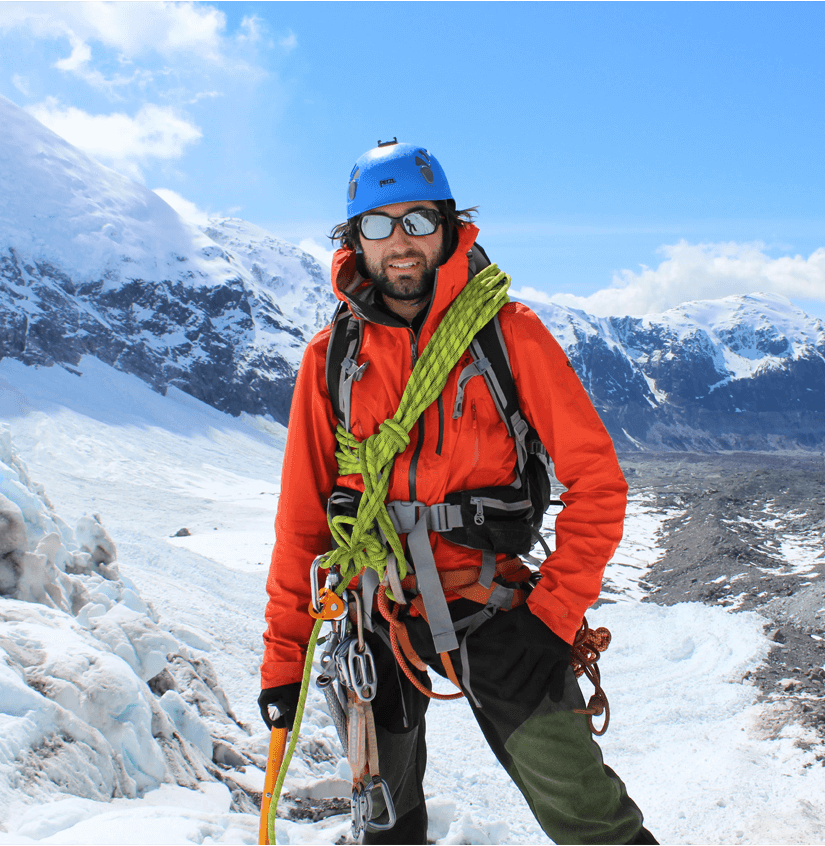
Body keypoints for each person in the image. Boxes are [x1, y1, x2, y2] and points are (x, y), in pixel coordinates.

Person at [258, 140, 656, 845]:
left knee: (596, 823)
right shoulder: (332, 360)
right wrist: (284, 663)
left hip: (498, 612)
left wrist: (553, 616)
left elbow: (598, 482)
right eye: (378, 226)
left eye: (417, 220)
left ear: (448, 225)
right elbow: (302, 527)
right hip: (377, 620)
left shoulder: (509, 335)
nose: (400, 244)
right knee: (387, 829)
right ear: (355, 242)